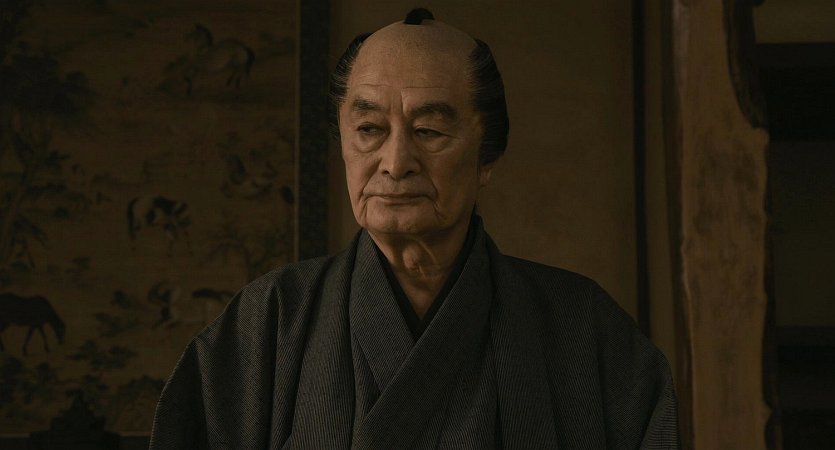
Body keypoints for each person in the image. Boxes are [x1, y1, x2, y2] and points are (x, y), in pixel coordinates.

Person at [150, 8, 678, 449]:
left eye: (428, 130)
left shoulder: (582, 327)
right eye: (369, 129)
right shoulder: (270, 319)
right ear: (342, 141)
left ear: (488, 155)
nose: (395, 162)